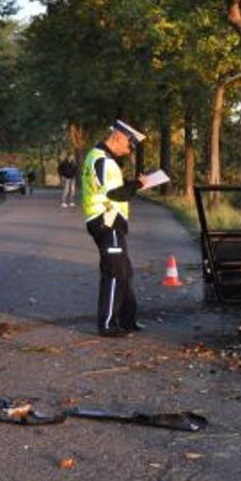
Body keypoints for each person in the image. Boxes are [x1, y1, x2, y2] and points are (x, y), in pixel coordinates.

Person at [81, 120, 150, 338]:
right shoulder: (104, 161)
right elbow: (115, 194)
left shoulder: (99, 157)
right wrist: (138, 185)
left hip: (107, 221)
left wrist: (132, 184)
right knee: (115, 273)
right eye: (129, 144)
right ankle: (108, 324)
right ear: (119, 137)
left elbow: (112, 188)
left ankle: (128, 320)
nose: (129, 150)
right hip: (106, 221)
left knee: (124, 271)